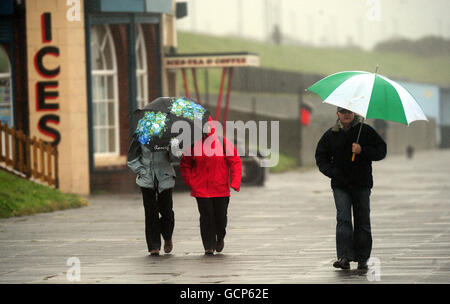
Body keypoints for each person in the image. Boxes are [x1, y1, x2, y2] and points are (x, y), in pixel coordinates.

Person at [315, 107, 386, 270]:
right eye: (342, 111)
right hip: (340, 185)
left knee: (362, 220)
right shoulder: (330, 134)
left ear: (354, 113)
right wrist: (333, 173)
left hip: (361, 184)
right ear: (337, 114)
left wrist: (363, 150)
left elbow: (381, 151)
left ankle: (363, 258)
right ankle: (344, 256)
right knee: (343, 219)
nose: (346, 114)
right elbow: (321, 157)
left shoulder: (365, 131)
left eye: (349, 112)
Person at [179, 120, 242, 255]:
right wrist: (192, 182)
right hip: (201, 190)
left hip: (220, 190)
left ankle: (220, 237)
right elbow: (185, 165)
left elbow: (235, 161)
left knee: (221, 217)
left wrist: (235, 182)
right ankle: (208, 245)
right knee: (206, 217)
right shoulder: (193, 145)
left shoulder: (222, 142)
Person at [127, 133, 177, 256]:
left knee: (167, 212)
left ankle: (167, 236)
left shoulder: (168, 135)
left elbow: (175, 158)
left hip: (165, 177)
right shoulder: (141, 134)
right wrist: (141, 170)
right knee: (150, 213)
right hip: (146, 179)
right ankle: (153, 246)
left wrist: (173, 146)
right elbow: (132, 157)